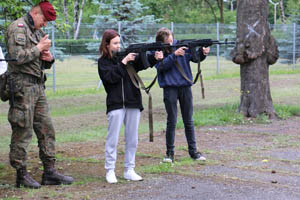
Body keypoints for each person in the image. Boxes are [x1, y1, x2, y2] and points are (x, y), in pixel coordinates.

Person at [5, 1, 73, 189]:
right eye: (44, 20)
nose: (45, 24)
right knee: (22, 130)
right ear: (35, 12)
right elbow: (16, 57)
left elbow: (38, 60)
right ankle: (21, 174)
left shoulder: (36, 31)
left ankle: (50, 172)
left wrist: (48, 58)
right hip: (22, 87)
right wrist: (39, 47)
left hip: (37, 86)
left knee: (47, 129)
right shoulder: (17, 28)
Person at [98, 29, 163, 184]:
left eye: (119, 42)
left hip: (133, 102)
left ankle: (129, 169)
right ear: (106, 45)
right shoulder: (103, 62)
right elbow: (111, 78)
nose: (118, 46)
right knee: (112, 139)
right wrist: (123, 62)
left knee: (132, 139)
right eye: (115, 43)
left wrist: (154, 58)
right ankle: (110, 170)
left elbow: (143, 63)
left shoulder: (129, 60)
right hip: (115, 104)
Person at [155, 27, 210, 163]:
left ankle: (193, 152)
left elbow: (195, 58)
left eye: (172, 40)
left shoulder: (182, 46)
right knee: (172, 121)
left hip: (185, 87)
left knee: (189, 121)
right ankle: (169, 153)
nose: (171, 43)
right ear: (162, 42)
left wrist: (203, 53)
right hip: (170, 88)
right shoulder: (158, 51)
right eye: (168, 42)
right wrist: (174, 55)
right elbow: (160, 67)